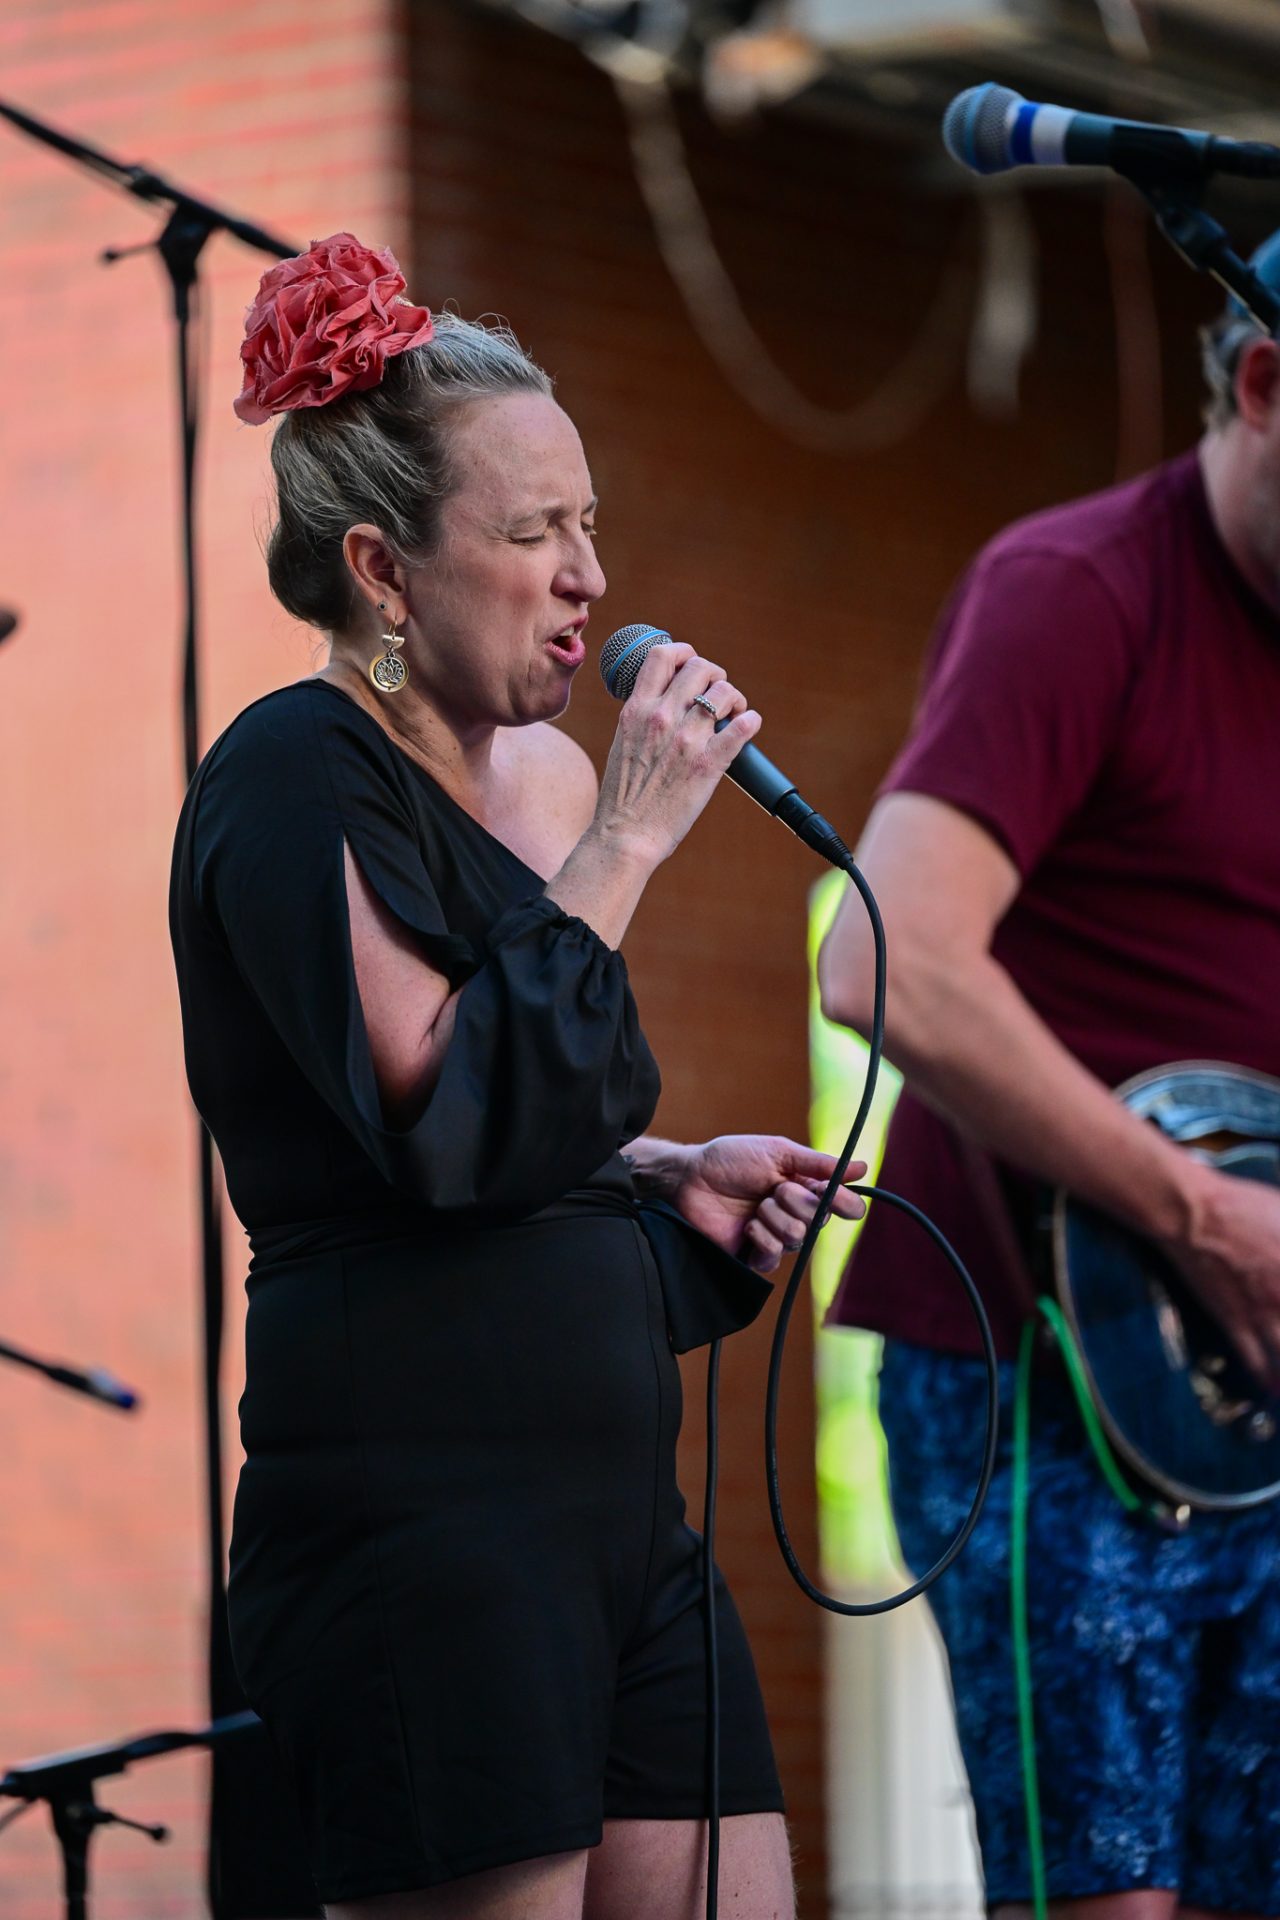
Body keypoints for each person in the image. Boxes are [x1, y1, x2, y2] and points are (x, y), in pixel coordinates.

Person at [170, 233, 862, 1920]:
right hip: (429, 1531)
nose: (587, 576)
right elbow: (444, 1129)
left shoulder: (519, 791)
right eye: (534, 532)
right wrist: (624, 840)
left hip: (618, 1530)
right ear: (384, 569)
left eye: (589, 523)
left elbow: (523, 1131)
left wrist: (661, 1177)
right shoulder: (290, 771)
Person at [818, 236, 1280, 1920]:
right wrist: (1207, 1218)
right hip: (1044, 1370)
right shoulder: (1077, 591)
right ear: (1259, 384)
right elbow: (884, 960)